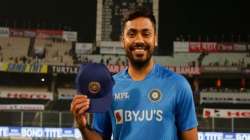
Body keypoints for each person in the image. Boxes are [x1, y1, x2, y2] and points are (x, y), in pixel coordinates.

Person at [71, 6, 198, 140]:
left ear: (155, 39)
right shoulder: (108, 88)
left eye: (146, 34)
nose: (138, 40)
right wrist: (83, 128)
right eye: (131, 34)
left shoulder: (178, 85)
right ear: (123, 41)